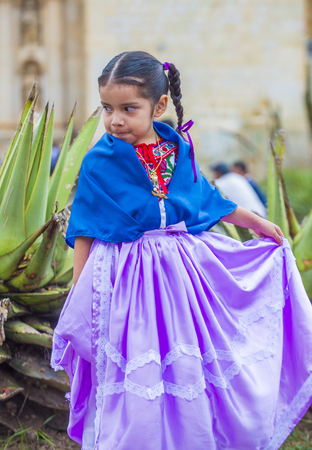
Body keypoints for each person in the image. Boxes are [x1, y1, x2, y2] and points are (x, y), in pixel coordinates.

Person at [51, 51, 312, 450]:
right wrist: (80, 294)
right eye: (107, 108)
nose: (115, 119)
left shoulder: (178, 152)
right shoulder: (97, 162)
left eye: (128, 108)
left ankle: (190, 436)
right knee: (140, 364)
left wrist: (255, 222)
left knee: (185, 361)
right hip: (127, 286)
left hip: (182, 282)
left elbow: (207, 200)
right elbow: (85, 229)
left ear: (159, 106)